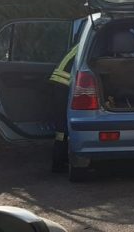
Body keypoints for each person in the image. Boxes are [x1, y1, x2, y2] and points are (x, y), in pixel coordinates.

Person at [48, 44, 77, 173]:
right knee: (62, 128)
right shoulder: (93, 38)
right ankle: (58, 164)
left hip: (60, 83)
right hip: (63, 84)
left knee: (62, 128)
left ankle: (60, 162)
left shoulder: (80, 43)